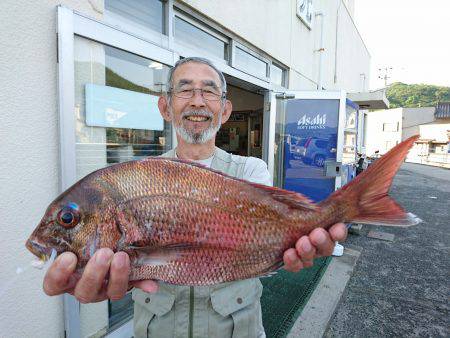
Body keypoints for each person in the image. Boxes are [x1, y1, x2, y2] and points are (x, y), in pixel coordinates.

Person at [43, 57, 347, 337]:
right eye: (185, 90)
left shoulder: (251, 171)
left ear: (225, 110)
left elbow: (262, 249)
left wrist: (293, 241)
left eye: (209, 91)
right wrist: (99, 279)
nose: (198, 102)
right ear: (165, 107)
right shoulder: (136, 179)